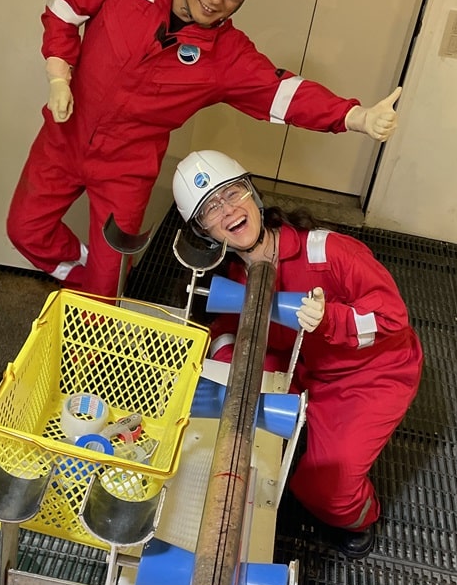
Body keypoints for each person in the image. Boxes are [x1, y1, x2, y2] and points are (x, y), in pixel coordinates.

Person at [8, 0, 403, 297]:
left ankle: (95, 303)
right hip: (64, 137)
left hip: (126, 169)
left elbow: (284, 93)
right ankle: (85, 280)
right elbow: (64, 6)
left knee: (107, 280)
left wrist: (355, 116)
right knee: (25, 230)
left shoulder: (226, 55)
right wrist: (58, 73)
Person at [172, 150, 423, 559]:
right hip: (305, 363)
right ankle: (293, 432)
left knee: (329, 489)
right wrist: (227, 363)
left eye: (232, 193)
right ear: (203, 231)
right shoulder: (233, 274)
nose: (228, 210)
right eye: (210, 209)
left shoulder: (327, 252)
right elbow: (227, 327)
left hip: (373, 373)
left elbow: (393, 318)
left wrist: (331, 319)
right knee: (226, 407)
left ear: (253, 194)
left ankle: (358, 519)